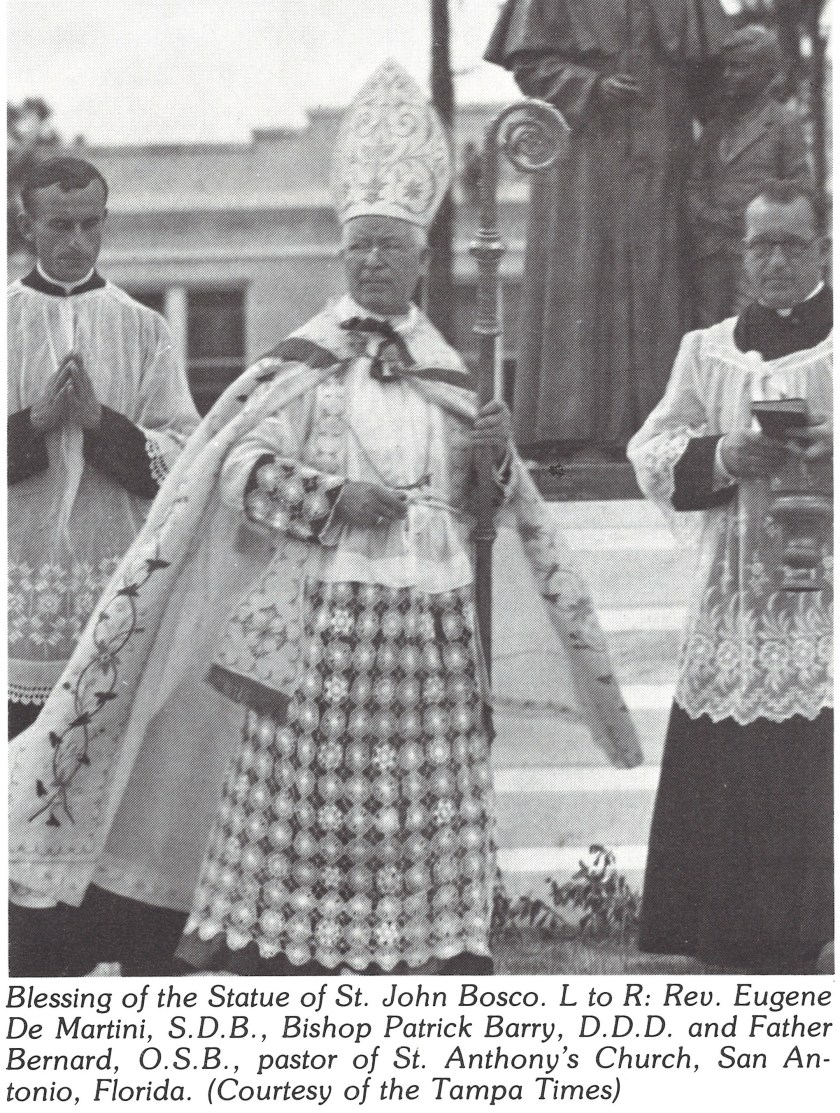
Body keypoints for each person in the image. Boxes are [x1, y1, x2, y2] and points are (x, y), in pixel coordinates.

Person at [10, 62, 641, 978]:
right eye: (361, 249)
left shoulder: (450, 377)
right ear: (344, 255)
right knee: (310, 810)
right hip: (319, 637)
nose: (374, 262)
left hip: (428, 634)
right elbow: (237, 471)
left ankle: (425, 953)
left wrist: (491, 458)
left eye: (391, 248)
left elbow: (479, 511)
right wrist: (332, 500)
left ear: (424, 260)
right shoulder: (304, 364)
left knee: (423, 807)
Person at [628, 182, 832, 973]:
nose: (776, 260)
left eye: (792, 243)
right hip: (736, 598)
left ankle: (816, 928)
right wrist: (720, 455)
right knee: (735, 755)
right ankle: (726, 931)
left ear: (822, 246)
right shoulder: (707, 350)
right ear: (742, 253)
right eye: (761, 245)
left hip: (826, 597)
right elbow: (649, 449)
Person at [7, 156, 200, 976]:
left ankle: (118, 958)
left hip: (116, 599)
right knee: (31, 783)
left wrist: (100, 422)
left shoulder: (145, 330)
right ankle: (40, 971)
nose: (79, 240)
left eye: (92, 223)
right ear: (26, 224)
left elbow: (183, 456)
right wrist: (32, 425)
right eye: (60, 224)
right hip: (20, 604)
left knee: (116, 786)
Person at [484, 0, 732, 454]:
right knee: (584, 280)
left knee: (660, 281)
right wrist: (590, 85)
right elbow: (530, 62)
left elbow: (715, 68)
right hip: (584, 152)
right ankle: (572, 441)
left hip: (660, 144)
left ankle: (662, 432)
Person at [688, 25, 811, 327]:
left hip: (758, 252)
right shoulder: (716, 127)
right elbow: (694, 183)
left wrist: (761, 212)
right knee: (710, 332)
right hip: (712, 251)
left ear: (767, 74)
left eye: (739, 67)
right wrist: (709, 214)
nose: (728, 75)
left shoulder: (783, 122)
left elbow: (800, 185)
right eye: (727, 67)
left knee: (752, 327)